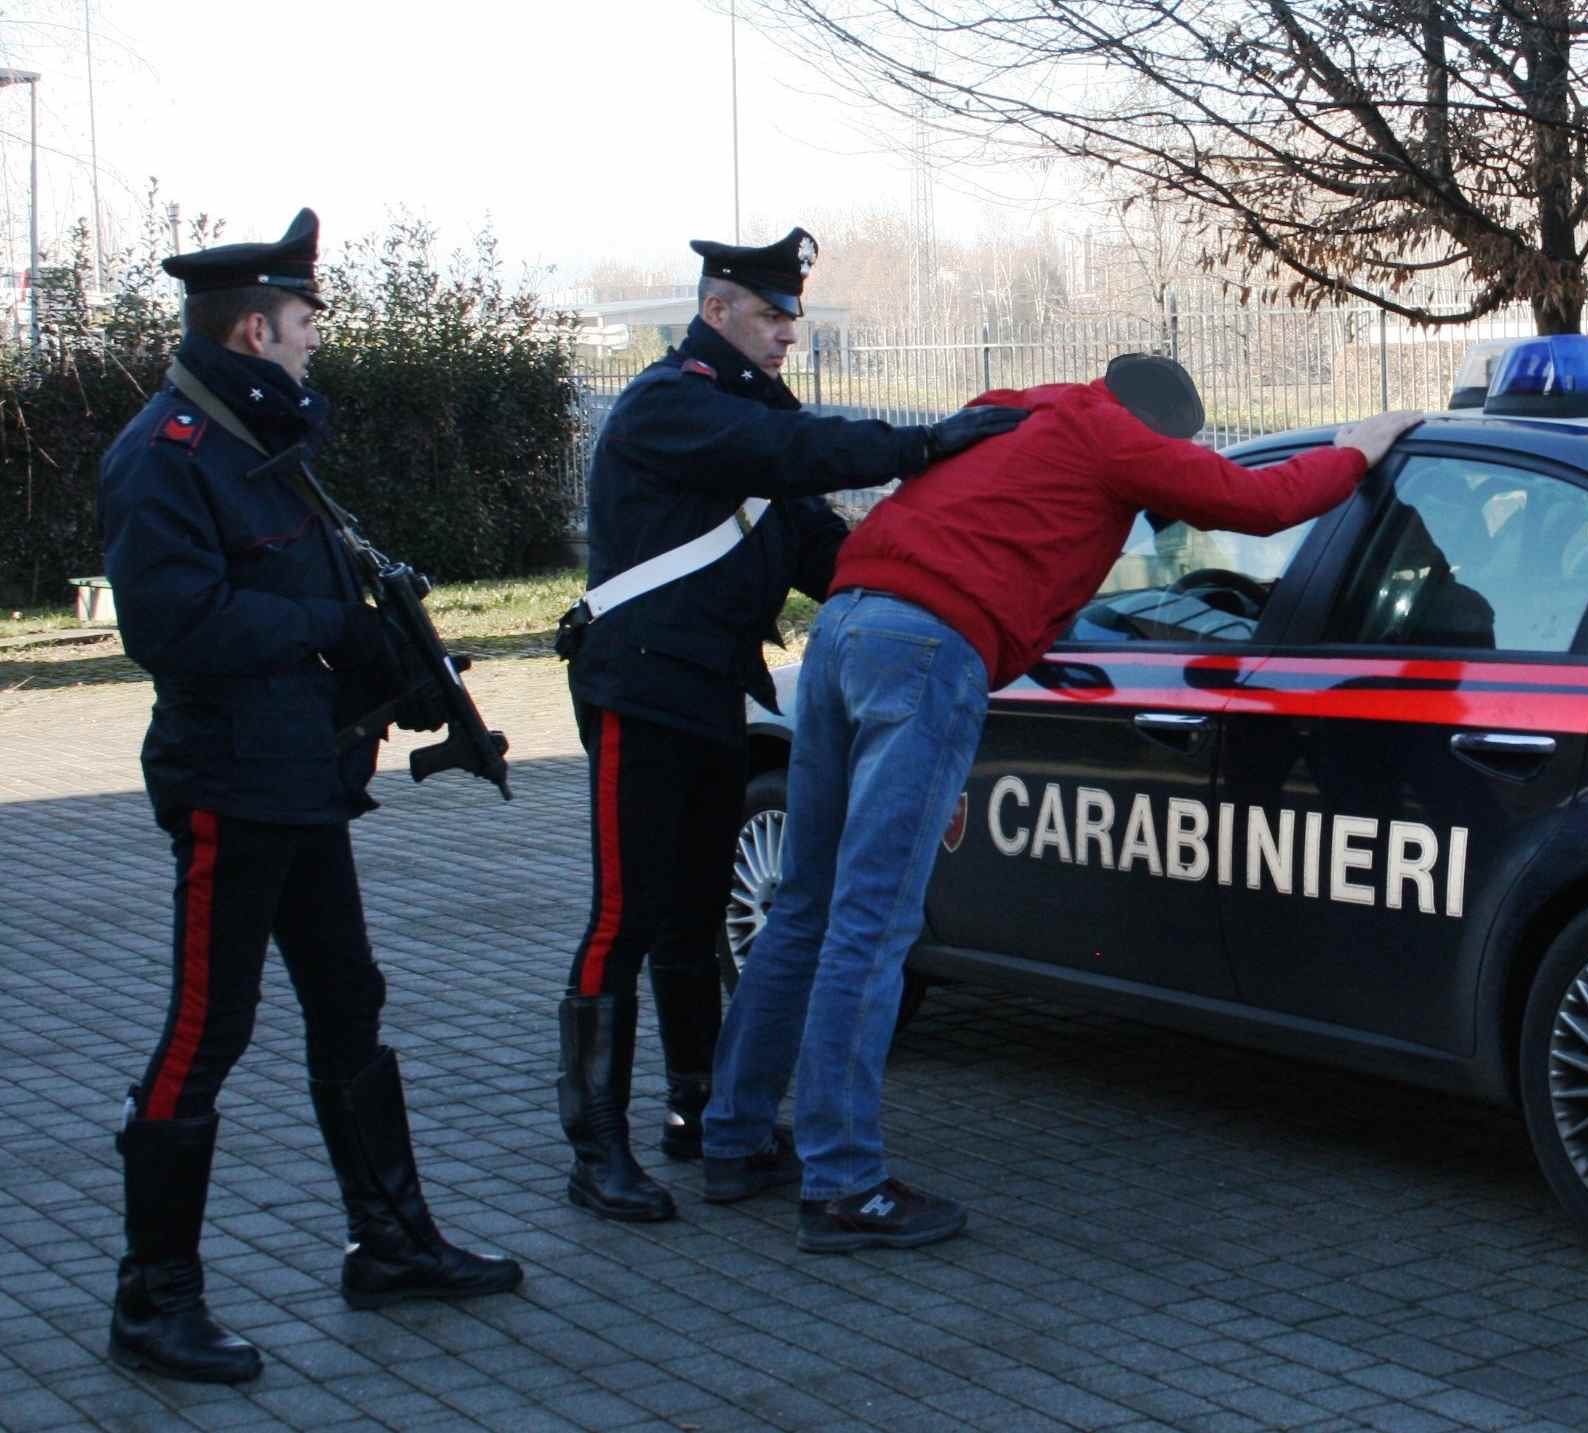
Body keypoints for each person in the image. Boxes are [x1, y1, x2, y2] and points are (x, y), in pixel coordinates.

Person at [705, 353, 1424, 1252]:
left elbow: (990, 544)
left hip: (845, 628)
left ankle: (732, 1138)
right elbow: (1261, 504)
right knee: (872, 921)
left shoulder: (1014, 410)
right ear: (1158, 432)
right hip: (927, 648)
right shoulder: (1113, 437)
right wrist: (1359, 450)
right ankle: (844, 1182)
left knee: (806, 904)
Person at [97, 210, 523, 1385]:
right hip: (230, 783)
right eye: (301, 325)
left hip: (300, 777)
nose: (312, 344)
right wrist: (331, 626)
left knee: (349, 999)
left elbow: (312, 590)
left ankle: (391, 1240)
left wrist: (388, 666)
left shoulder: (259, 442)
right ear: (251, 326)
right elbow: (172, 625)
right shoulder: (170, 453)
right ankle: (154, 1302)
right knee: (207, 1025)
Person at [553, 226, 1025, 1223]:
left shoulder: (755, 415)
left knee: (689, 914)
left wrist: (938, 585)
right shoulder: (673, 402)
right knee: (626, 915)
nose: (785, 335)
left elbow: (832, 556)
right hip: (638, 691)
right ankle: (597, 1149)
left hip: (713, 694)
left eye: (791, 319)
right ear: (716, 308)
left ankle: (699, 1108)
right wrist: (920, 444)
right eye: (770, 316)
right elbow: (789, 454)